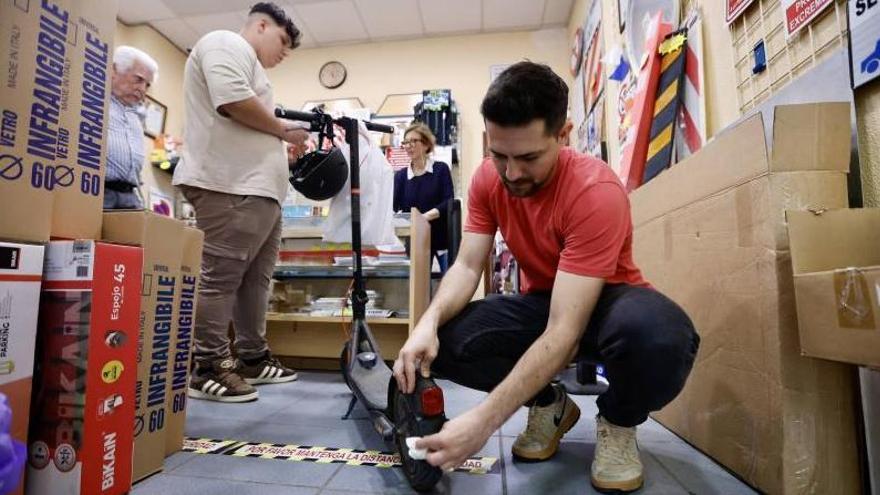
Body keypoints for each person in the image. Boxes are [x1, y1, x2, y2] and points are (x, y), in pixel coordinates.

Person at [392, 62, 699, 493]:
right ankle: (550, 404)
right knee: (446, 339)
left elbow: (565, 331)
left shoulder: (595, 192)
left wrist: (483, 421)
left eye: (529, 158)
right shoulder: (487, 180)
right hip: (546, 300)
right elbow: (466, 266)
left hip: (611, 302)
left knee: (660, 338)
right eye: (500, 155)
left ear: (564, 135)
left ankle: (618, 420)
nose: (512, 173)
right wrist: (426, 323)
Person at [172, 2, 310, 403]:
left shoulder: (251, 67)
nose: (283, 54)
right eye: (282, 42)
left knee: (255, 281)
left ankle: (251, 357)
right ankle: (208, 366)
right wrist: (283, 130)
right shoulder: (225, 43)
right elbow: (231, 102)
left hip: (257, 189)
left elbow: (243, 122)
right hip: (230, 185)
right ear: (262, 25)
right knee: (220, 279)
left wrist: (279, 149)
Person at [393, 123, 454, 272]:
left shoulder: (440, 169)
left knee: (449, 279)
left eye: (413, 141)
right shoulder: (401, 176)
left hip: (441, 239)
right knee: (419, 284)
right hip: (416, 240)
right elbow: (393, 207)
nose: (409, 146)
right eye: (406, 142)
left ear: (426, 144)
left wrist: (424, 217)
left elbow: (448, 201)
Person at [104, 46, 159, 209]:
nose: (142, 89)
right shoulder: (95, 101)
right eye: (138, 79)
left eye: (147, 85)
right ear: (114, 71)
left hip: (130, 195)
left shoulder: (137, 114)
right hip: (100, 190)